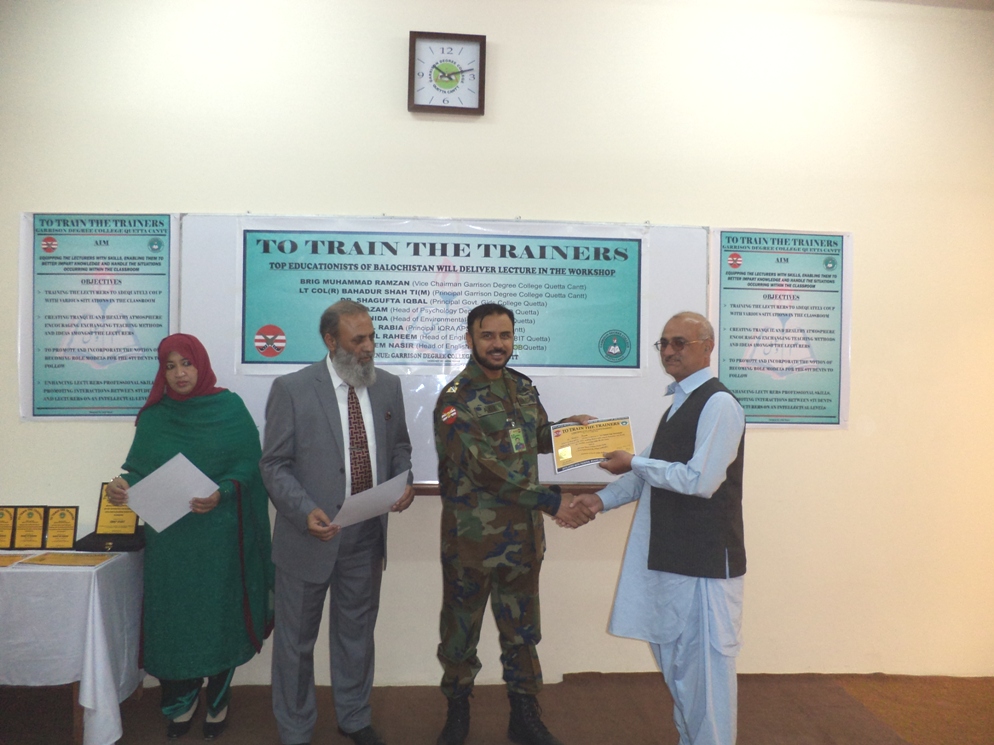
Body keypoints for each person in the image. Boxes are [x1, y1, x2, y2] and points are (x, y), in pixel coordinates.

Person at [571, 311, 746, 745]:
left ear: (707, 347)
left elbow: (700, 481)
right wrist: (599, 500)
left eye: (679, 343)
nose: (669, 351)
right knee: (681, 673)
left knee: (705, 679)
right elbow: (645, 474)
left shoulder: (720, 404)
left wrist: (633, 461)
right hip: (670, 557)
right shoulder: (678, 406)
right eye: (664, 343)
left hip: (705, 564)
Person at [433, 303, 594, 745]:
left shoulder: (521, 388)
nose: (497, 344)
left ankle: (524, 715)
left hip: (521, 539)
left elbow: (533, 437)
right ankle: (457, 712)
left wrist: (568, 432)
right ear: (470, 340)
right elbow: (485, 470)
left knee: (522, 633)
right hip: (471, 542)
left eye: (505, 335)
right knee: (460, 634)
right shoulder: (455, 400)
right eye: (488, 335)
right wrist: (552, 501)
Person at [260, 299, 414, 745]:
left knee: (356, 636)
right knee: (296, 642)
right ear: (331, 341)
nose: (368, 348)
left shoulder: (387, 386)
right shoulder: (292, 388)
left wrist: (402, 480)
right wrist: (303, 509)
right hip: (308, 537)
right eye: (357, 340)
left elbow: (400, 446)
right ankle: (295, 729)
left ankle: (354, 717)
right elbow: (273, 464)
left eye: (371, 337)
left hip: (365, 536)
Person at [107, 333, 274, 741]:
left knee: (219, 618)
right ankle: (180, 702)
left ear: (201, 365)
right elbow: (138, 470)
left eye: (186, 363)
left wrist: (224, 492)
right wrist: (122, 485)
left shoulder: (229, 408)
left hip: (220, 539)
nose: (179, 373)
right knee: (174, 621)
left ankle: (218, 700)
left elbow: (250, 467)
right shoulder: (155, 417)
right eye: (170, 366)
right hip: (171, 542)